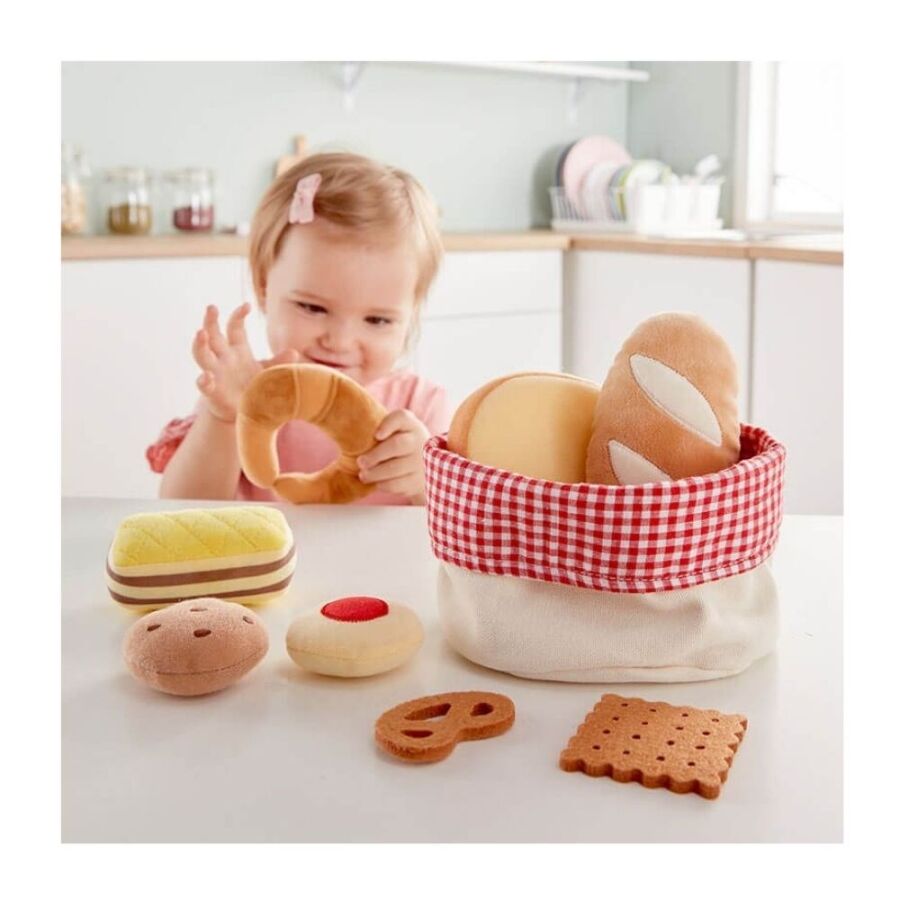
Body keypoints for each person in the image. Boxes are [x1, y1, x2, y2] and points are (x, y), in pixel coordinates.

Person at [147, 152, 449, 506]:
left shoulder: (421, 409)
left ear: (411, 316)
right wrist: (223, 418)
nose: (340, 342)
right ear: (263, 288)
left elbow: (463, 525)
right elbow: (183, 507)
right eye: (313, 308)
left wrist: (426, 482)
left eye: (377, 320)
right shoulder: (242, 392)